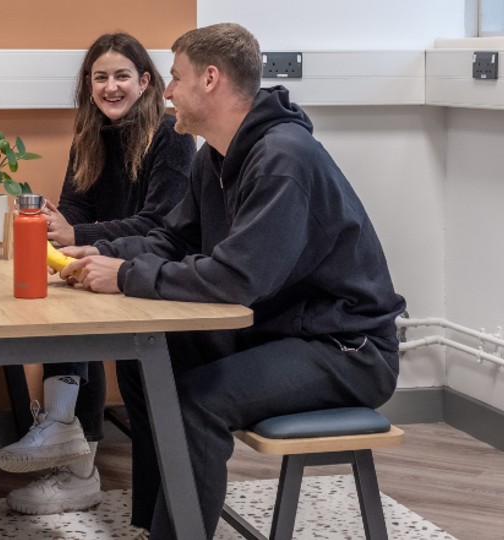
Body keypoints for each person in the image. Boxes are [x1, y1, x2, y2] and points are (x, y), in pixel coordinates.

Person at [57, 22, 406, 539]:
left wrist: (126, 275)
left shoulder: (283, 159)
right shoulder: (215, 156)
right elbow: (174, 239)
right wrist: (103, 254)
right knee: (147, 357)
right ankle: (158, 523)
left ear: (210, 79)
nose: (168, 92)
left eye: (176, 78)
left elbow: (238, 278)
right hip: (280, 330)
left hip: (346, 349)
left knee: (198, 401)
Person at [0, 33, 195, 516]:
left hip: (155, 270)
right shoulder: (89, 136)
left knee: (85, 323)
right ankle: (70, 446)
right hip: (103, 258)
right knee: (57, 307)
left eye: (122, 76)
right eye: (100, 77)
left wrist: (78, 233)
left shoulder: (172, 136)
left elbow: (160, 224)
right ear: (88, 84)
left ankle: (73, 452)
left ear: (145, 81)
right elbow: (76, 208)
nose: (111, 87)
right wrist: (58, 225)